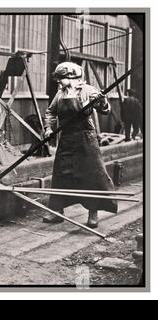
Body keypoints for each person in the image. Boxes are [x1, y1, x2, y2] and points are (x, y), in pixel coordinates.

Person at [42, 62, 118, 228]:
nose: (58, 82)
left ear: (70, 77)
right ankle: (57, 212)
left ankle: (93, 213)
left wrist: (102, 102)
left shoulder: (88, 90)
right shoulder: (60, 94)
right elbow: (51, 112)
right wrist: (48, 128)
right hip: (67, 139)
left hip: (86, 138)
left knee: (92, 175)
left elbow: (105, 110)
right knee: (61, 174)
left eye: (60, 78)